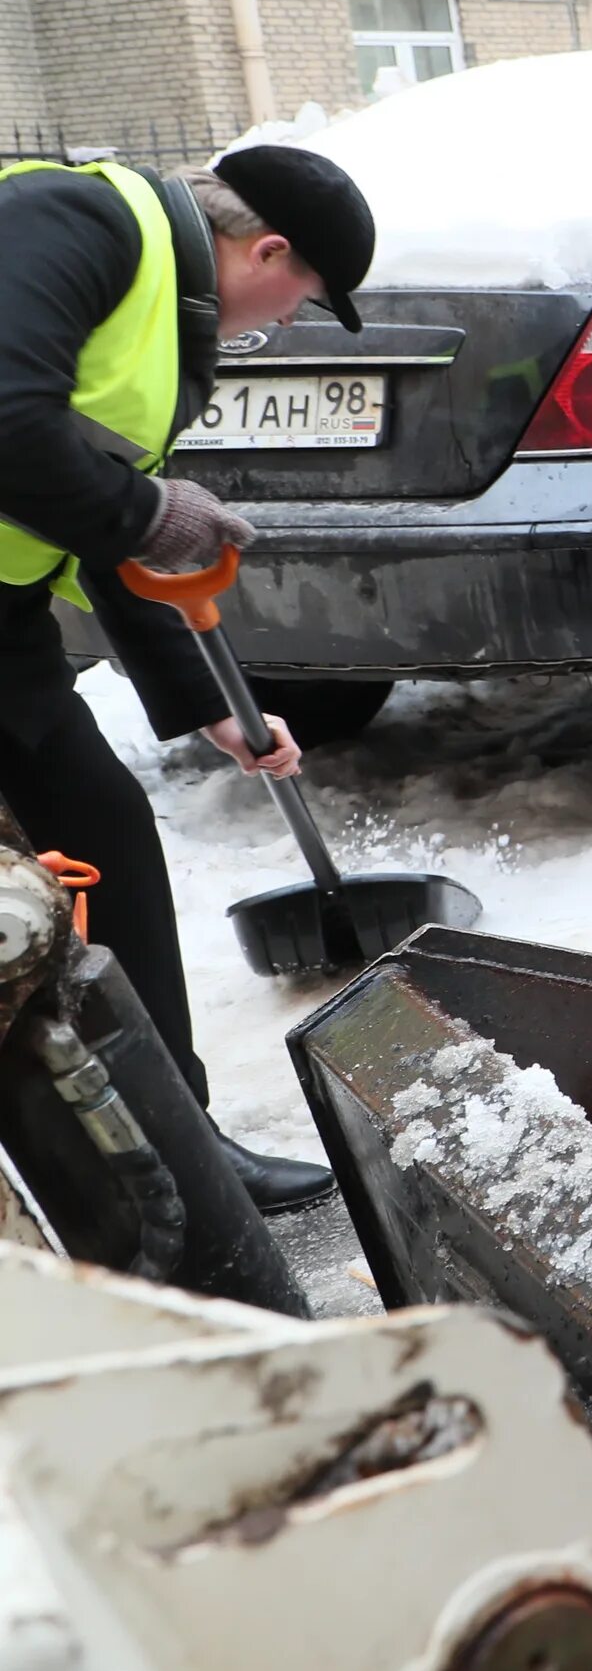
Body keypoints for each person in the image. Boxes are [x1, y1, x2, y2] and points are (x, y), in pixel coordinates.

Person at [0, 143, 375, 1214]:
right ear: (266, 248)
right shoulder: (73, 222)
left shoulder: (163, 308)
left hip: (3, 611)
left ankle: (176, 1146)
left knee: (101, 833)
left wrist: (214, 701)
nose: (284, 323)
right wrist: (150, 511)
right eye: (300, 296)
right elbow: (8, 418)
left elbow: (102, 516)